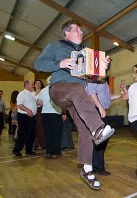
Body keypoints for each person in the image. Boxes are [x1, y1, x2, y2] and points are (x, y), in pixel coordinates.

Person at [34, 19, 115, 190]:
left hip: (76, 96)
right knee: (78, 90)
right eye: (77, 30)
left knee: (85, 130)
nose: (81, 32)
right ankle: (99, 129)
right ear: (66, 32)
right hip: (59, 89)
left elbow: (94, 77)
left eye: (81, 30)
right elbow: (38, 64)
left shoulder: (84, 52)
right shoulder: (55, 46)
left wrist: (103, 68)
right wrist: (59, 63)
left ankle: (87, 170)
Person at [86, 79, 121, 176]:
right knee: (100, 139)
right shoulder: (93, 79)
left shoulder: (104, 81)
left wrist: (117, 96)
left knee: (101, 139)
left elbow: (105, 97)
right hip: (95, 110)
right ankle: (97, 167)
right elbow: (92, 95)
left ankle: (96, 166)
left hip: (101, 109)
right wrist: (100, 108)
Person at [37, 78, 64, 159]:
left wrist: (44, 103)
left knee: (48, 134)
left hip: (45, 114)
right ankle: (56, 153)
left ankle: (48, 152)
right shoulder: (58, 89)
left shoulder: (43, 90)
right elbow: (62, 101)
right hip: (56, 113)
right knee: (57, 134)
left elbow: (40, 102)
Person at [12, 80, 37, 157]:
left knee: (31, 134)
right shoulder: (21, 94)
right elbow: (19, 105)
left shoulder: (32, 94)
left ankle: (28, 150)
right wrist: (28, 110)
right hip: (23, 117)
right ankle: (17, 150)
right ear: (26, 85)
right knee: (22, 134)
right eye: (32, 84)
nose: (33, 86)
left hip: (32, 117)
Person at [33, 80, 45, 150]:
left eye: (39, 83)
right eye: (36, 83)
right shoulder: (32, 93)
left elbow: (44, 102)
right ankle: (36, 143)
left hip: (40, 110)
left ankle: (41, 144)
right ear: (34, 85)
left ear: (41, 85)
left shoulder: (43, 92)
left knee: (40, 127)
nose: (37, 84)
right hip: (33, 110)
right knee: (34, 127)